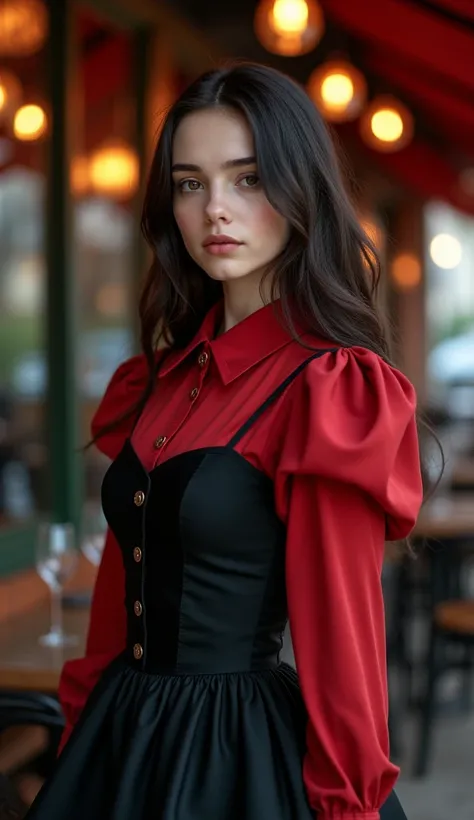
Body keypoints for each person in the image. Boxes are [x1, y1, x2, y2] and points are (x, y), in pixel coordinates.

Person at [26, 62, 423, 820]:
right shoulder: (161, 379)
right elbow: (117, 593)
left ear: (300, 189)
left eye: (247, 179)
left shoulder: (327, 389)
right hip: (119, 739)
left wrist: (348, 804)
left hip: (234, 756)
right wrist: (80, 735)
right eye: (189, 183)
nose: (215, 210)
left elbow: (343, 640)